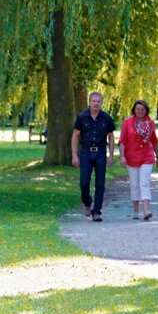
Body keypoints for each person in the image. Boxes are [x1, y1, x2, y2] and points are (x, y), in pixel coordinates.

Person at [71, 92, 116, 222]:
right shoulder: (82, 117)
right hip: (85, 153)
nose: (96, 103)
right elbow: (75, 136)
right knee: (84, 183)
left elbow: (111, 137)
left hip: (101, 153)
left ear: (102, 103)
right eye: (93, 101)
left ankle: (96, 212)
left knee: (100, 183)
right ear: (89, 102)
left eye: (98, 101)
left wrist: (111, 155)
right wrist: (75, 155)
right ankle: (87, 202)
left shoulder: (106, 118)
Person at [119, 99, 158, 221]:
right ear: (134, 110)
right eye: (138, 109)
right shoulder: (127, 122)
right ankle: (136, 210)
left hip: (147, 157)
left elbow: (154, 141)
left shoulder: (150, 123)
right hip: (131, 157)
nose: (140, 111)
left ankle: (146, 210)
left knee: (144, 183)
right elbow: (122, 141)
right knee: (134, 184)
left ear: (146, 110)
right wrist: (122, 156)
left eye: (142, 109)